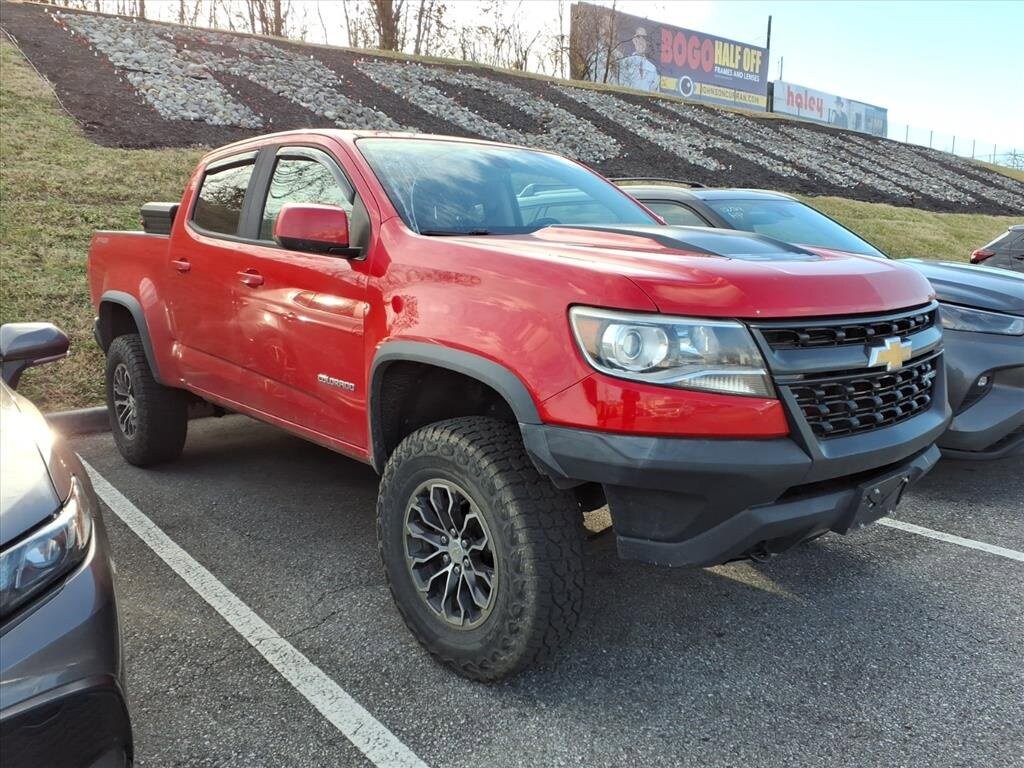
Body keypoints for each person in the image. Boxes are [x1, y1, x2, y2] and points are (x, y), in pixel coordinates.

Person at [614, 26, 660, 93]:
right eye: (638, 37)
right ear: (634, 40)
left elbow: (655, 93)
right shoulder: (624, 63)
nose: (641, 41)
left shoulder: (652, 68)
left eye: (644, 38)